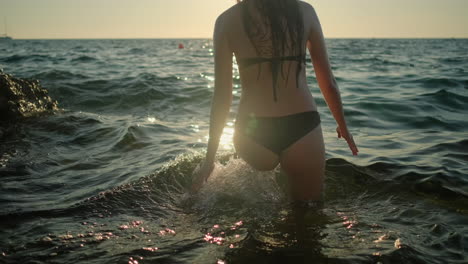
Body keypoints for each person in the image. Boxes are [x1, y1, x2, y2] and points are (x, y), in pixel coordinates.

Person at [191, 0, 358, 201]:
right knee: (308, 214)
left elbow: (222, 97)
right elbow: (328, 83)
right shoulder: (305, 11)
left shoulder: (226, 20)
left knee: (253, 213)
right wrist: (342, 126)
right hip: (303, 128)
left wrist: (210, 160)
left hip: (252, 132)